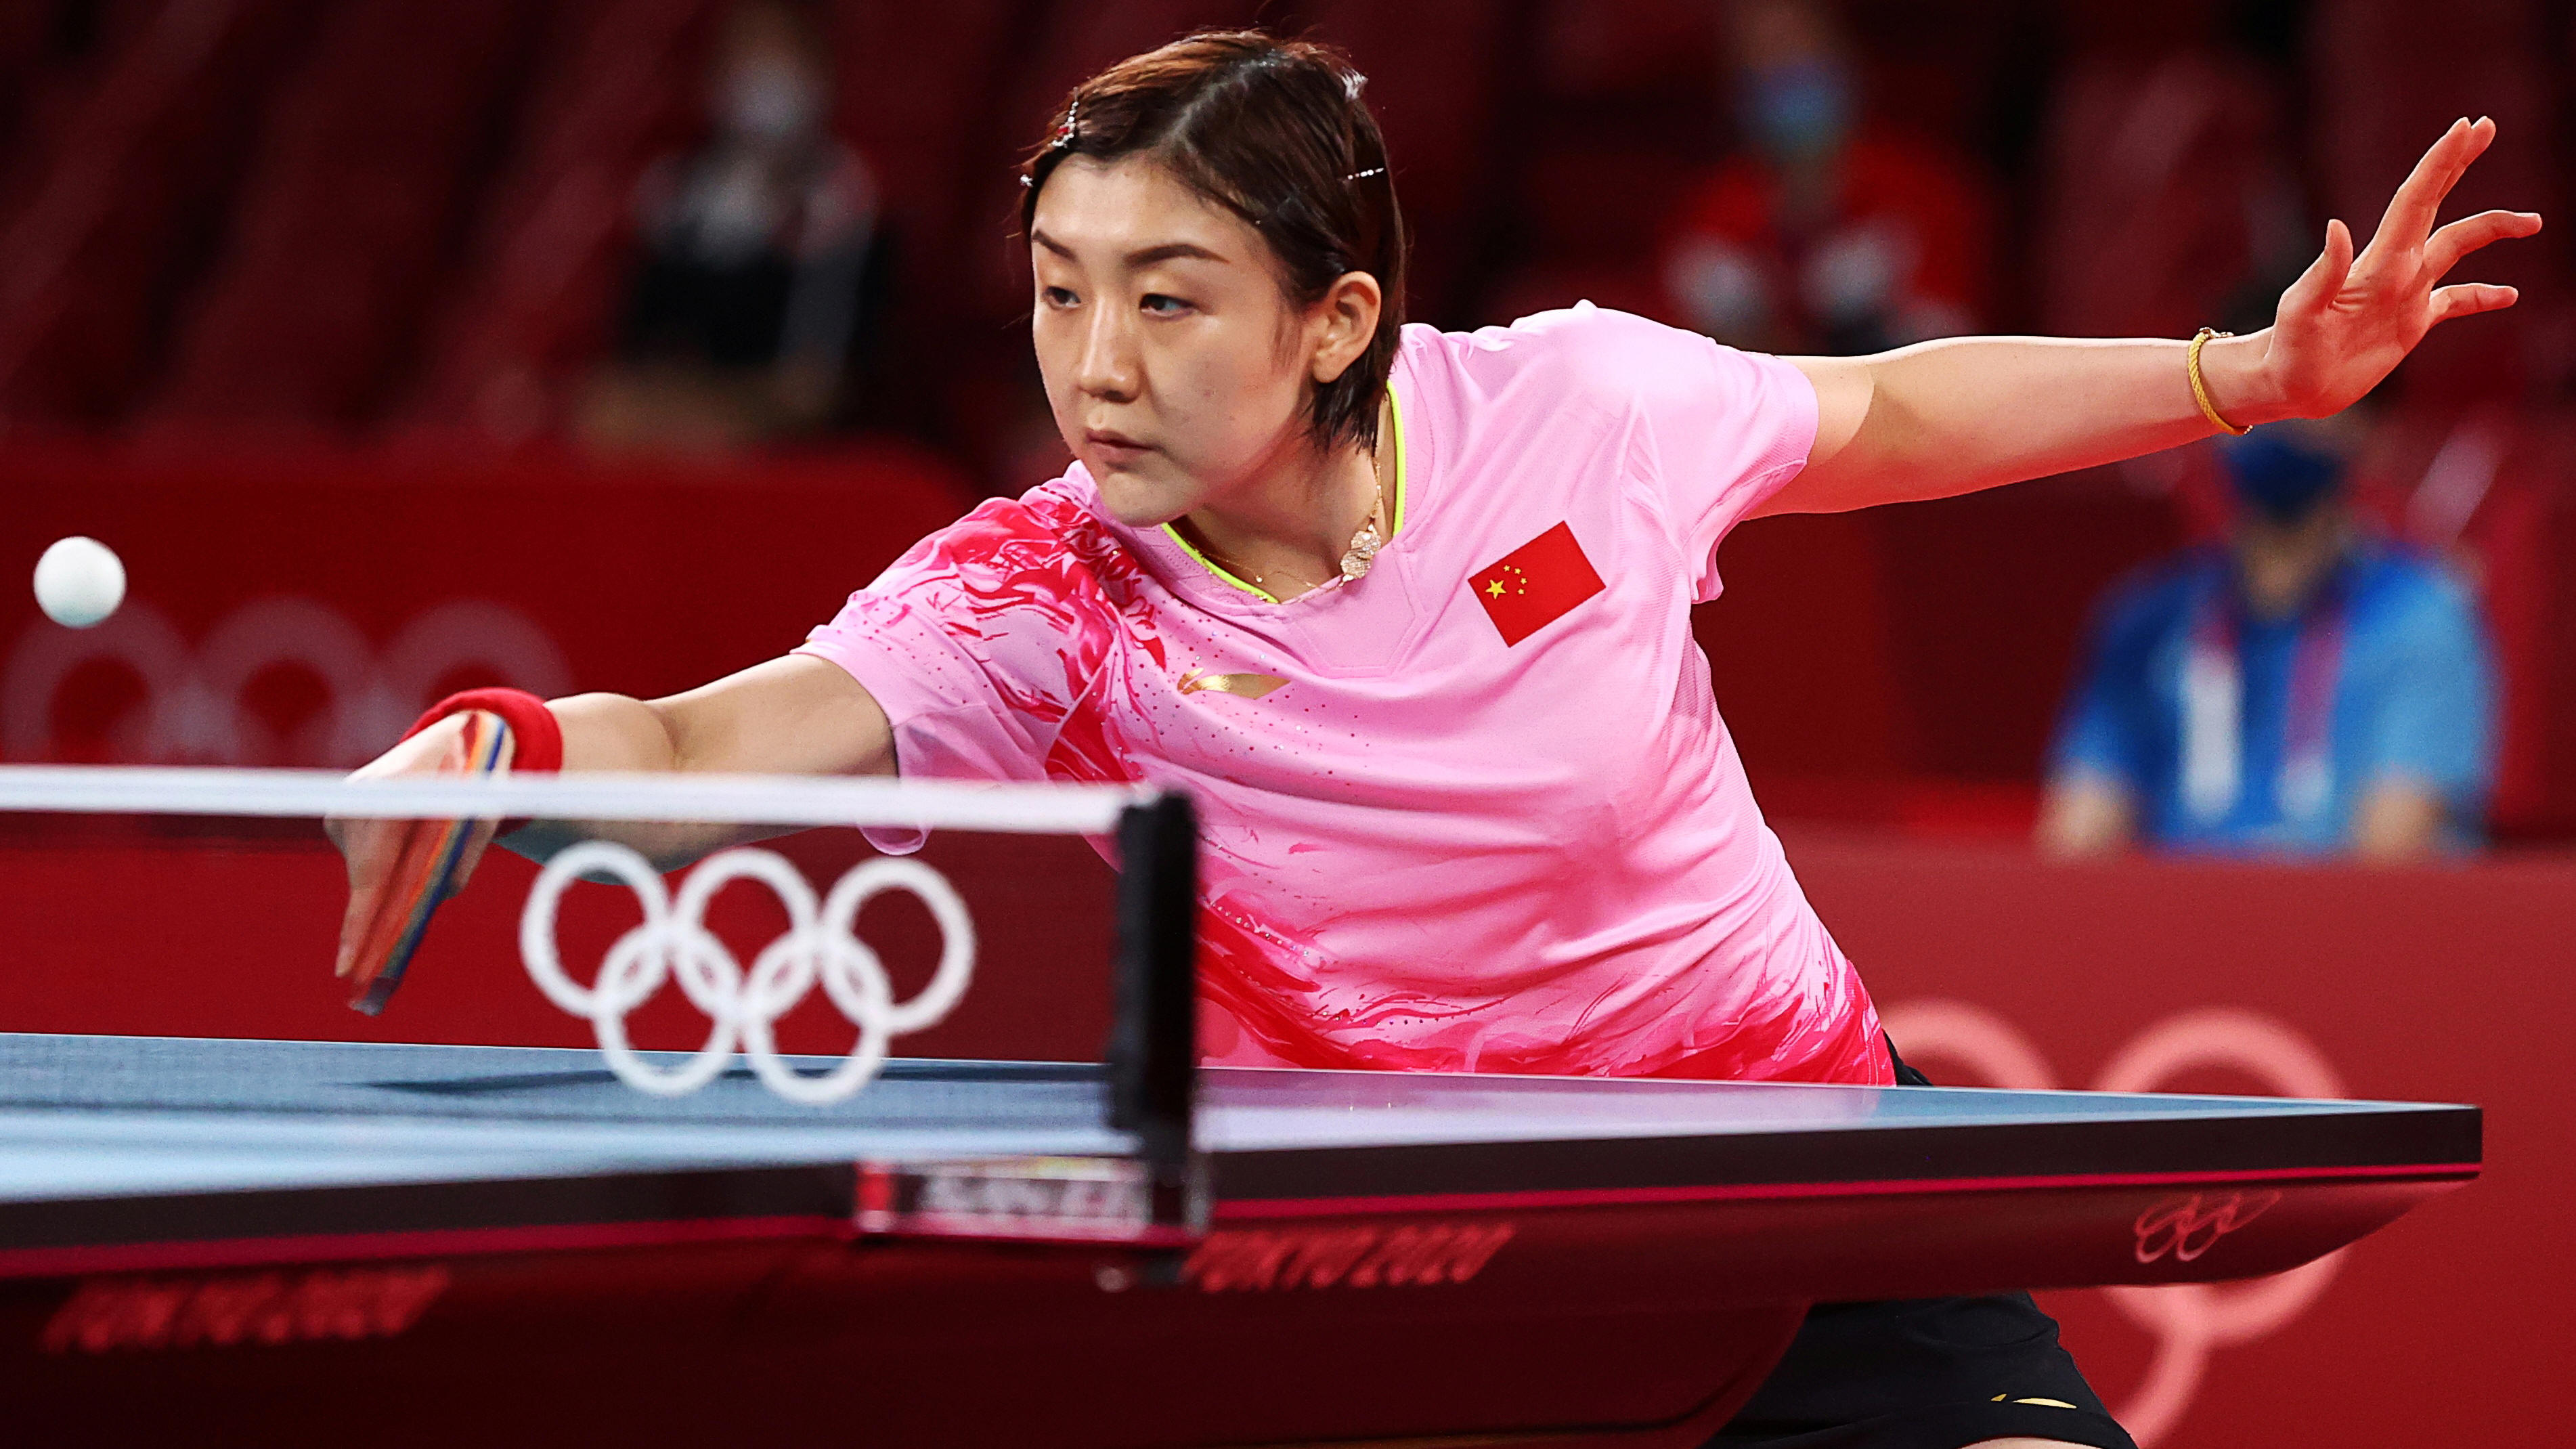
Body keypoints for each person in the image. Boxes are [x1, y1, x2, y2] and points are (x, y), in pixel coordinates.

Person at [331, 30, 2538, 1449]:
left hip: (1794, 1195)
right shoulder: (1033, 598)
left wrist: (2237, 378)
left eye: (1165, 297)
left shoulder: (1573, 409)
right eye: (1060, 289)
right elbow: (707, 746)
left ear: (1337, 319)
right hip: (1392, 1270)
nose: (1093, 361)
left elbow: (1876, 408)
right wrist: (516, 746)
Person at [2037, 420, 2496, 861]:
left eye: (2300, 392)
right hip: (2176, 909)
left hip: (2331, 911)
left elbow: (2394, 851)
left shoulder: (2419, 613)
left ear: (2368, 430)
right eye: (2249, 397)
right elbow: (2078, 835)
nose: (2274, 417)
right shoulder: (2148, 620)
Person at [579, 0, 879, 450]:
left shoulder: (842, 204)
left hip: (784, 450)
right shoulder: (676, 198)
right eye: (745, 53)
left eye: (778, 52)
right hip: (677, 427)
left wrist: (725, 414)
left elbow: (816, 389)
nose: (760, 74)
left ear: (821, 70)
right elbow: (634, 363)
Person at [1659, 0, 1990, 354]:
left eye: (1799, 58)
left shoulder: (1925, 189)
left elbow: (1963, 337)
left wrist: (1888, 318)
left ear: (1846, 62)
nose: (1786, 77)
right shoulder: (1713, 213)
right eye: (1765, 68)